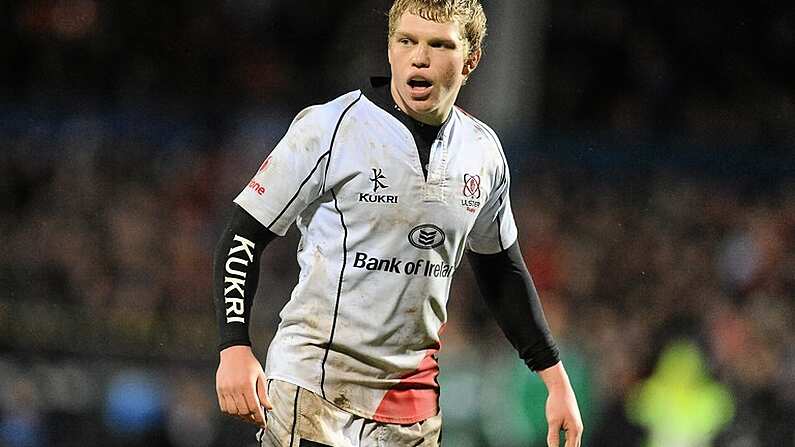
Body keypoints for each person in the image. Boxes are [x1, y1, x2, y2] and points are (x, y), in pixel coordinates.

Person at [213, 1, 583, 446]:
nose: (419, 57)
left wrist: (555, 379)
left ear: (470, 59)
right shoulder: (330, 128)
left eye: (438, 44)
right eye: (406, 41)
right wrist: (234, 345)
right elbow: (242, 237)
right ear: (390, 50)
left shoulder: (483, 153)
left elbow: (501, 271)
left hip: (412, 411)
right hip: (314, 391)